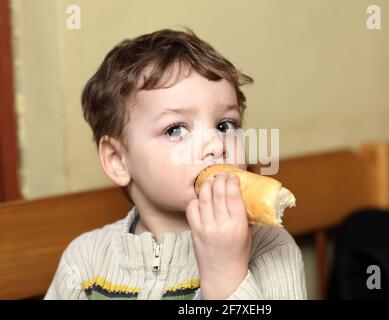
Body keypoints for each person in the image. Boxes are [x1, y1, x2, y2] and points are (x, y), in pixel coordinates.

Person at [44, 28, 307, 300]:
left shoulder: (270, 248)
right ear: (117, 160)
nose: (216, 146)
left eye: (225, 125)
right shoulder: (83, 263)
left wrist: (225, 275)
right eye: (175, 130)